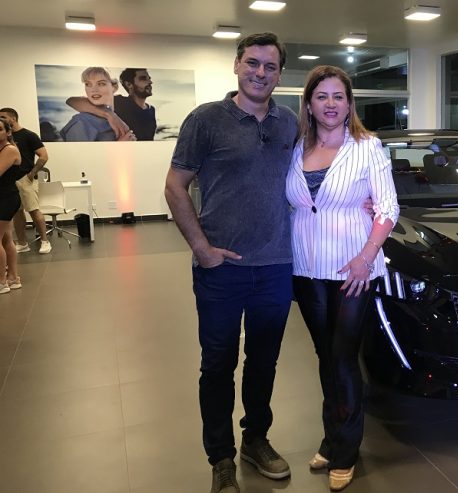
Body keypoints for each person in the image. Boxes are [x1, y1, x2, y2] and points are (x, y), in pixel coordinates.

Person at [164, 32, 297, 493]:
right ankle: (220, 457)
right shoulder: (206, 119)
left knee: (264, 361)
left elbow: (314, 175)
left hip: (276, 266)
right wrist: (201, 249)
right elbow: (175, 186)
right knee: (218, 364)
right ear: (237, 65)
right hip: (221, 270)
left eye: (270, 66)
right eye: (253, 63)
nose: (261, 73)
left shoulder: (289, 122)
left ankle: (255, 440)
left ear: (279, 73)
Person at [285, 65, 399, 491]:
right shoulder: (296, 148)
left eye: (338, 96)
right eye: (322, 96)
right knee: (325, 356)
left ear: (350, 104)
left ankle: (346, 451)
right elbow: (293, 204)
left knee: (343, 357)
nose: (330, 104)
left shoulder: (368, 147)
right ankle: (332, 439)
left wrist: (366, 258)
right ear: (309, 104)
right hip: (307, 268)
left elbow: (388, 208)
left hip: (354, 269)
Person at [0, 108, 52, 254]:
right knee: (17, 213)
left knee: (33, 210)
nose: (1, 119)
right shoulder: (5, 137)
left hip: (25, 179)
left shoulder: (29, 135)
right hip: (11, 182)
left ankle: (45, 241)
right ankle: (23, 243)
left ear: (13, 118)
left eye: (3, 117)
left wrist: (31, 174)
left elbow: (43, 156)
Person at [69, 68, 157, 140]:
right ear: (129, 84)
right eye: (143, 78)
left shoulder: (151, 109)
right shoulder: (119, 102)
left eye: (149, 78)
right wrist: (109, 114)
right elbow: (72, 101)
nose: (150, 82)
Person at [60, 67, 137, 142]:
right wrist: (119, 146)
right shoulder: (81, 122)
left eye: (101, 84)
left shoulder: (124, 112)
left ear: (114, 87)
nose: (93, 90)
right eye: (88, 84)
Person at [0, 118, 23, 293]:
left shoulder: (9, 150)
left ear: (8, 132)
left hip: (5, 198)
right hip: (5, 197)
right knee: (6, 239)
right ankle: (13, 278)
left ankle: (2, 281)